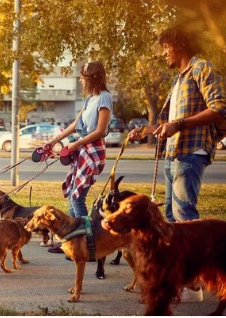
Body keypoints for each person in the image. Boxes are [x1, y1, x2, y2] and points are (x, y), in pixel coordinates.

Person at [129, 25, 226, 302]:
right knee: (170, 220)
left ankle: (198, 275)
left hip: (191, 153)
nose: (163, 53)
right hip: (173, 153)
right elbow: (170, 126)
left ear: (178, 44)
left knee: (184, 216)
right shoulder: (179, 79)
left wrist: (179, 124)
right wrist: (147, 130)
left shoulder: (202, 69)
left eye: (165, 47)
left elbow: (220, 107)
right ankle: (180, 278)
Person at [45, 61, 112, 253]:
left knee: (77, 197)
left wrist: (75, 144)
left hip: (92, 149)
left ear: (92, 78)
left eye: (83, 76)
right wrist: (54, 141)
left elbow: (100, 131)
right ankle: (71, 240)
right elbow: (76, 125)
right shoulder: (91, 98)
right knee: (72, 194)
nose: (81, 80)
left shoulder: (104, 98)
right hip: (83, 148)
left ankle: (86, 243)